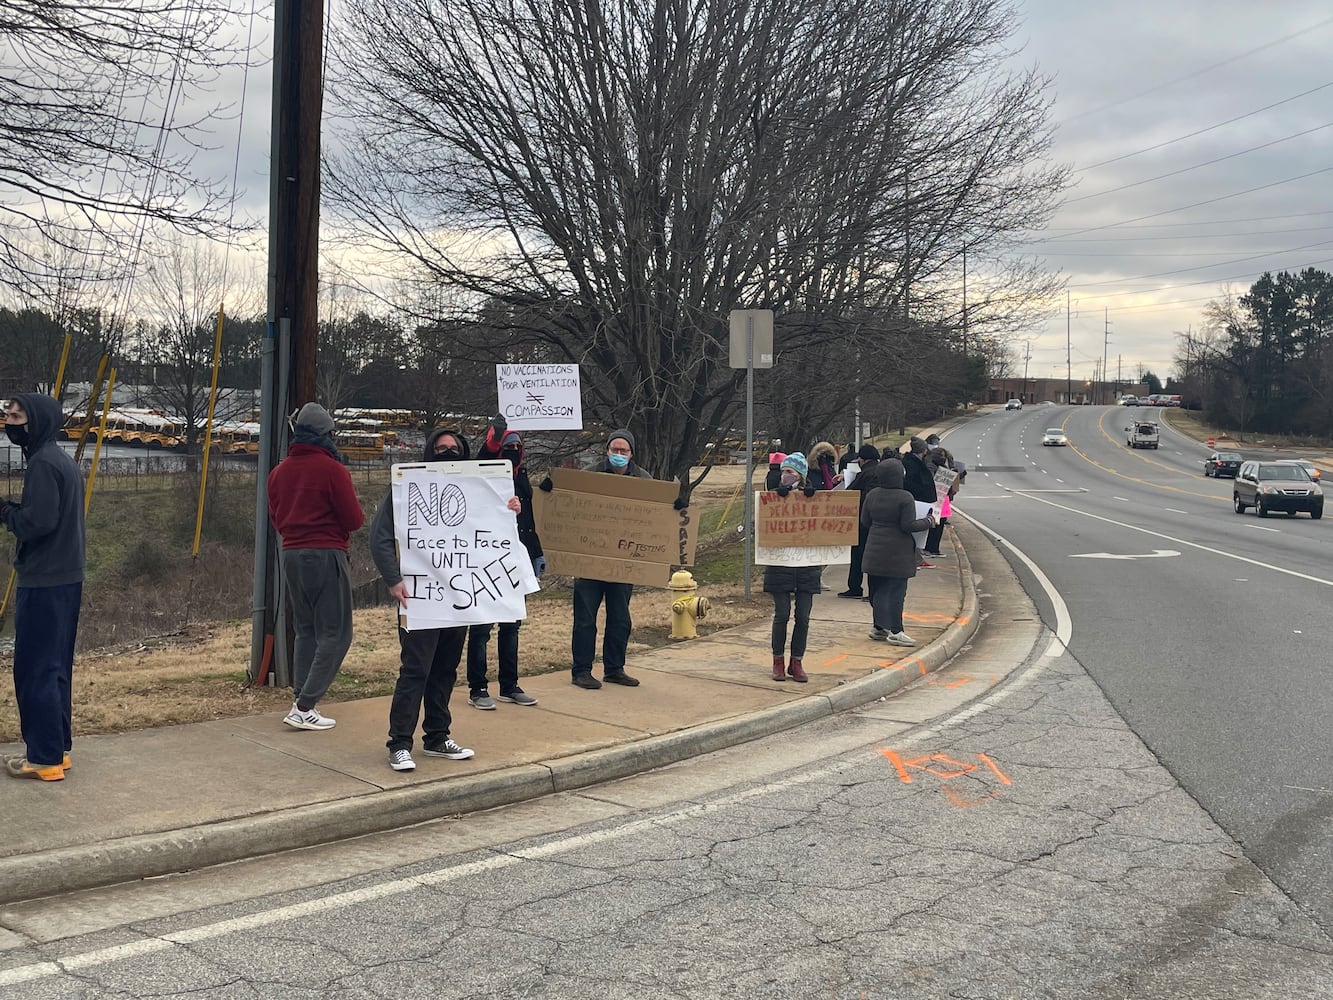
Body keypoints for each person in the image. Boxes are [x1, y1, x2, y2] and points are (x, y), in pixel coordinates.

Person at [370, 428, 522, 772]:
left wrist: (510, 508)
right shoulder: (407, 488)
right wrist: (393, 580)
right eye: (440, 448)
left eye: (454, 448)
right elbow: (379, 538)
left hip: (457, 597)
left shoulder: (478, 490)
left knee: (444, 671)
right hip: (420, 597)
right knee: (415, 671)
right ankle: (399, 743)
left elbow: (495, 532)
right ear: (429, 452)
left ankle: (437, 736)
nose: (447, 452)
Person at [266, 402, 365, 732]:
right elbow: (353, 520)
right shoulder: (333, 470)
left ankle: (300, 700)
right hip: (326, 554)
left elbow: (275, 518)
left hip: (291, 554)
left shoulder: (278, 472)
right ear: (327, 434)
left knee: (306, 630)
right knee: (336, 634)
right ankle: (305, 705)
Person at [1, 394, 85, 781]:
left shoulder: (42, 464)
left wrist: (6, 512)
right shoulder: (61, 460)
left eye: (17, 416)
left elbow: (39, 521)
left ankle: (44, 757)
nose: (10, 422)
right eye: (8, 414)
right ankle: (57, 748)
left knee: (34, 669)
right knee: (55, 667)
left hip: (44, 579)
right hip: (67, 577)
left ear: (36, 421)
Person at [540, 428, 659, 690]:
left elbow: (655, 514)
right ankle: (581, 670)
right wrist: (550, 490)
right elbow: (568, 501)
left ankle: (614, 669)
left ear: (631, 453)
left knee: (620, 619)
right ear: (607, 450)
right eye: (614, 450)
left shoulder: (643, 478)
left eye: (623, 451)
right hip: (590, 561)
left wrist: (675, 505)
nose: (618, 454)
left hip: (623, 562)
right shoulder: (591, 475)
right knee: (585, 620)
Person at [466, 420, 544, 709]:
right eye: (507, 447)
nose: (513, 451)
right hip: (485, 558)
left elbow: (527, 519)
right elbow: (483, 461)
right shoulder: (485, 472)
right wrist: (493, 441)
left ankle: (509, 685)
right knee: (482, 627)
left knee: (511, 625)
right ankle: (478, 688)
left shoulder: (521, 474)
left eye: (517, 447)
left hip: (515, 557)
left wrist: (536, 552)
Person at [861, 458, 935, 647]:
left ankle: (879, 627)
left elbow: (865, 522)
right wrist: (928, 521)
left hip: (874, 550)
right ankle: (896, 630)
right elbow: (908, 525)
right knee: (895, 592)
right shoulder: (905, 497)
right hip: (898, 553)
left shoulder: (872, 495)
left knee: (876, 590)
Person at [763, 453, 821, 683]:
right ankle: (778, 661)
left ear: (802, 475)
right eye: (784, 471)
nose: (786, 475)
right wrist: (778, 499)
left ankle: (797, 661)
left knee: (803, 617)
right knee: (782, 614)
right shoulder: (772, 497)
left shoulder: (814, 497)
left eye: (791, 472)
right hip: (780, 564)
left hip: (806, 566)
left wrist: (812, 499)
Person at [839, 443, 881, 599]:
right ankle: (873, 591)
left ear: (863, 460)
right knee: (874, 556)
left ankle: (855, 587)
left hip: (863, 521)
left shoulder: (866, 474)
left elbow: (853, 493)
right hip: (878, 521)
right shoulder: (880, 471)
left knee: (858, 555)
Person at [901, 437, 938, 568]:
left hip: (921, 500)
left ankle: (917, 557)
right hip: (918, 500)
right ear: (923, 450)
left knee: (919, 532)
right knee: (916, 531)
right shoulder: (912, 464)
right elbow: (911, 482)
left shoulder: (913, 462)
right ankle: (915, 559)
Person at [923, 443, 958, 558]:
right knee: (935, 525)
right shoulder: (931, 467)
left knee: (941, 524)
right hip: (936, 499)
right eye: (941, 456)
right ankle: (930, 548)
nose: (943, 458)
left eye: (944, 456)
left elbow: (952, 483)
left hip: (944, 499)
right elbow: (933, 482)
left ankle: (935, 548)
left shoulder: (944, 467)